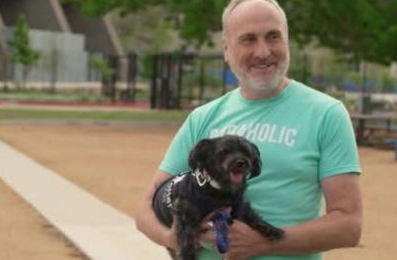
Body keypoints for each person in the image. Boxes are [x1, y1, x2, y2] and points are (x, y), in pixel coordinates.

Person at [136, 0, 363, 259]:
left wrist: (267, 242)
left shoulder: (326, 114)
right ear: (226, 49)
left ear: (287, 42)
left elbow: (348, 225)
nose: (263, 51)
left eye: (273, 37)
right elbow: (145, 208)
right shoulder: (202, 118)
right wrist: (173, 238)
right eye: (248, 39)